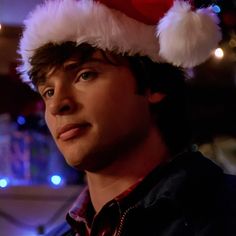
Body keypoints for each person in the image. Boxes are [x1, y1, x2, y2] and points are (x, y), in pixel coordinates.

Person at [17, 0, 235, 235]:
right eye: (48, 92)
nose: (57, 105)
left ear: (153, 85)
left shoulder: (224, 212)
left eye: (85, 75)